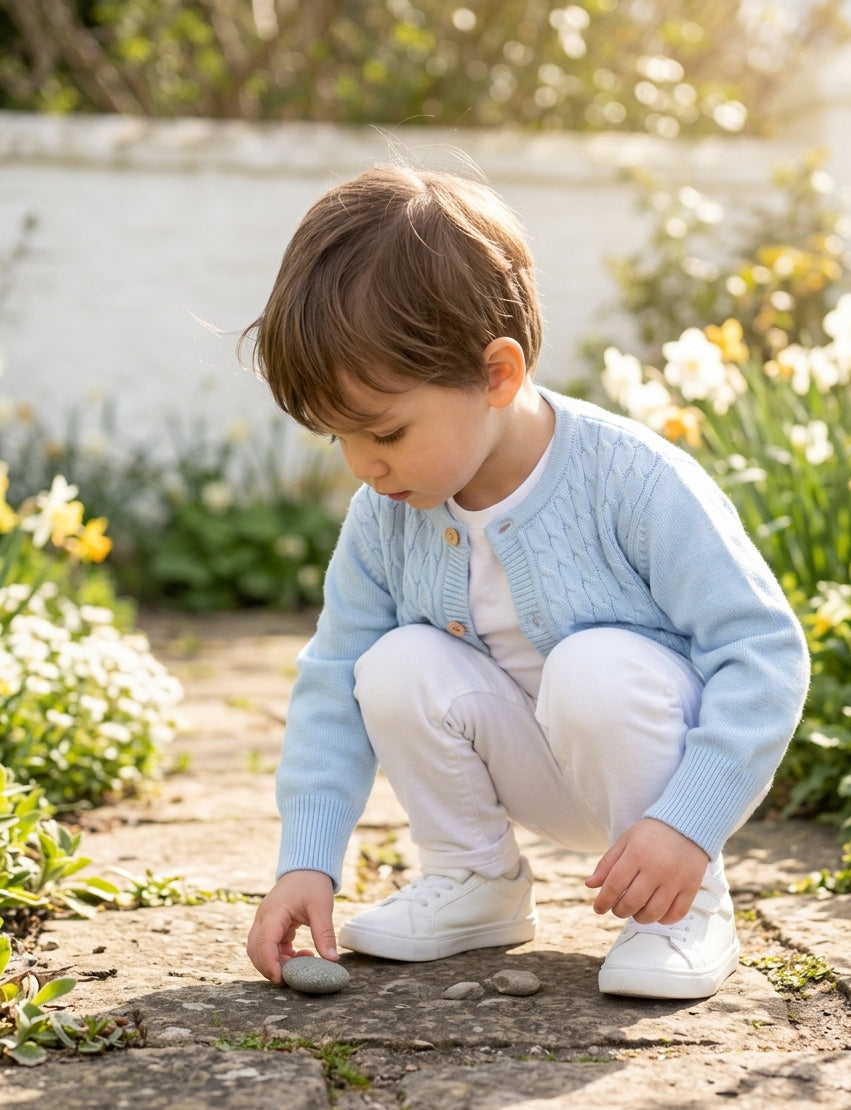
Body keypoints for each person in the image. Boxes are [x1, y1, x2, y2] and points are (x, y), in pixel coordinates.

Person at [242, 161, 810, 1000]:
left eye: (387, 431)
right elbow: (331, 683)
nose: (365, 465)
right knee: (389, 662)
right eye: (340, 440)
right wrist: (307, 858)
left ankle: (681, 911)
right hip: (533, 764)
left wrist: (687, 824)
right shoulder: (387, 512)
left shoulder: (634, 480)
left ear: (498, 374)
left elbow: (764, 651)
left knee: (596, 665)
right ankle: (476, 882)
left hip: (652, 771)